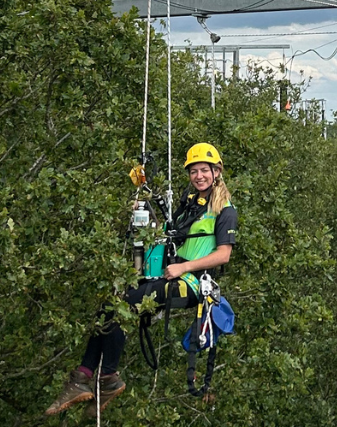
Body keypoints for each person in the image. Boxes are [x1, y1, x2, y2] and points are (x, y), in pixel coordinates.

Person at [44, 142, 239, 417]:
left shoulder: (224, 210)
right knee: (110, 306)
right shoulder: (191, 203)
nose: (199, 176)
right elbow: (173, 233)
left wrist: (185, 268)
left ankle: (108, 378)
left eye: (204, 170)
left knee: (125, 306)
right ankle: (83, 376)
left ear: (216, 172)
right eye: (194, 171)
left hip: (193, 282)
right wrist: (144, 215)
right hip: (172, 273)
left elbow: (223, 255)